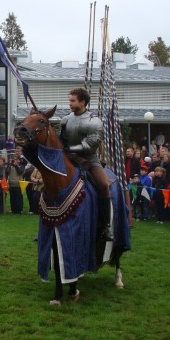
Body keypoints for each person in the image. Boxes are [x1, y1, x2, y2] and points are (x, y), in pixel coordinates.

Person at [60, 88, 113, 240]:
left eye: (72, 101)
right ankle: (49, 224)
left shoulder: (93, 121)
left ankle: (105, 226)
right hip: (68, 158)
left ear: (82, 102)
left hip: (88, 159)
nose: (70, 103)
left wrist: (69, 148)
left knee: (103, 185)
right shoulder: (65, 120)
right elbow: (62, 140)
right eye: (69, 100)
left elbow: (91, 145)